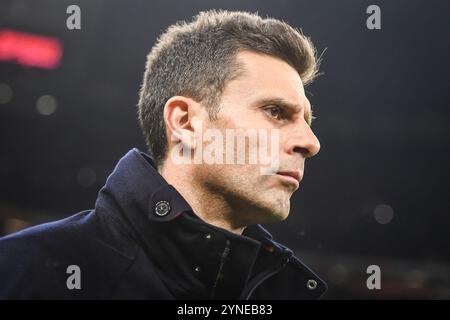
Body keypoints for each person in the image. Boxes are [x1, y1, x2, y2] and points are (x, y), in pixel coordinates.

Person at [0, 10, 327, 299]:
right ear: (184, 121)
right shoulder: (19, 273)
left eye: (307, 121)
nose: (310, 142)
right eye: (275, 112)